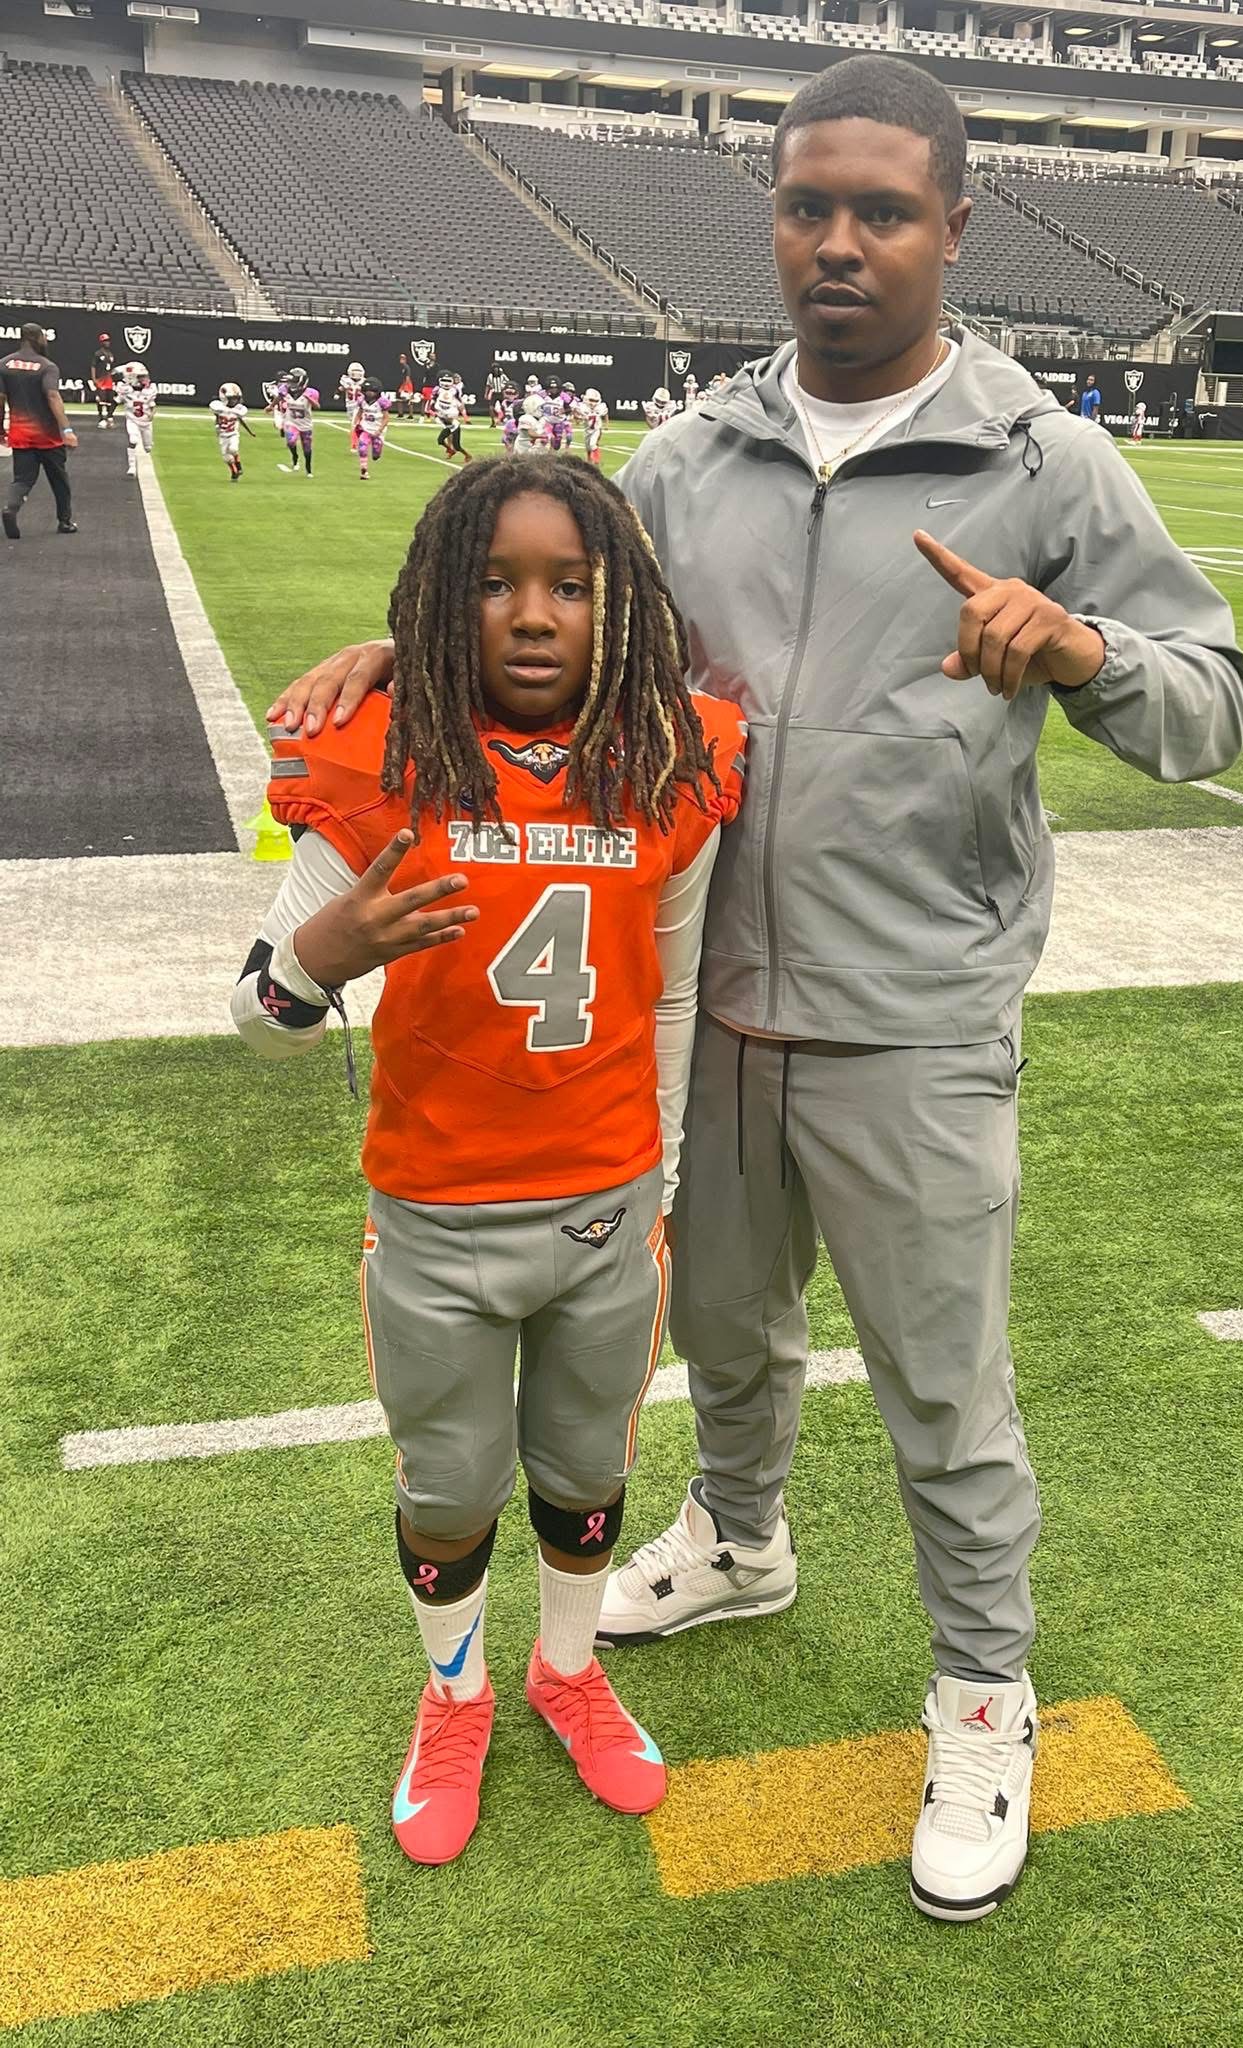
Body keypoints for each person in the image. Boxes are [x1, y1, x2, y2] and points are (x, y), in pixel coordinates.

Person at [269, 54, 1243, 1925]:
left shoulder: (1044, 461)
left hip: (915, 1016)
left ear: (954, 228)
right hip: (703, 1005)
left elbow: (1212, 708)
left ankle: (984, 1698)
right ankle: (738, 1537)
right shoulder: (683, 456)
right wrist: (399, 655)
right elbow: (550, 616)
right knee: (721, 1331)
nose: (840, 242)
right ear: (773, 220)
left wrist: (1085, 649)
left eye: (883, 211)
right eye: (808, 206)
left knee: (944, 1395)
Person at [234, 456, 747, 1866]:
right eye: (494, 584)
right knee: (450, 1487)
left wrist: (662, 1175)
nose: (532, 614)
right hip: (437, 1213)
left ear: (612, 603)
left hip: (604, 1203)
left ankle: (565, 1670)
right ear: (441, 604)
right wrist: (320, 958)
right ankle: (453, 1690)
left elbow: (672, 994)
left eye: (568, 586)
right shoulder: (381, 754)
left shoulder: (667, 761)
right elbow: (259, 1016)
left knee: (586, 1472)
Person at [1, 321, 78, 538]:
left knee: (22, 480)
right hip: (48, 437)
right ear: (37, 338)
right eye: (44, 337)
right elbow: (52, 395)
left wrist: (0, 430)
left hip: (21, 434)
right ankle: (64, 521)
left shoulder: (4, 364)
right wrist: (67, 430)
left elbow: (0, 399)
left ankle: (11, 508)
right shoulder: (47, 366)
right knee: (59, 480)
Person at [118, 361, 157, 480]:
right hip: (132, 420)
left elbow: (152, 405)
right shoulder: (125, 390)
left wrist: (151, 414)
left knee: (148, 448)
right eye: (141, 377)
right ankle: (131, 467)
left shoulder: (150, 389)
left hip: (146, 423)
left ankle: (148, 445)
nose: (145, 379)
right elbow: (116, 401)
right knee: (133, 440)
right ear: (132, 378)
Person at [278, 366, 320, 476]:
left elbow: (317, 406)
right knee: (291, 441)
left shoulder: (311, 392)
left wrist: (309, 398)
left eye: (293, 381)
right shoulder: (285, 389)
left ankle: (308, 469)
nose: (291, 384)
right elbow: (279, 396)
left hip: (305, 423)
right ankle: (295, 457)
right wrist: (271, 406)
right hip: (291, 421)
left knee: (307, 448)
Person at [210, 381, 255, 483]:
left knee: (233, 449)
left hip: (233, 434)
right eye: (232, 398)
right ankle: (234, 473)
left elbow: (241, 420)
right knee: (227, 458)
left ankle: (238, 465)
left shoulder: (238, 409)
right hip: (223, 436)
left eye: (236, 398)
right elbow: (217, 417)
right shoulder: (219, 408)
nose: (234, 401)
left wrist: (250, 431)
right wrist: (217, 425)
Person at [352, 376, 391, 481]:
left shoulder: (382, 402)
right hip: (366, 428)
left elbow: (386, 418)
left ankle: (377, 453)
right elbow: (359, 413)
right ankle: (364, 471)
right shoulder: (362, 401)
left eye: (371, 391)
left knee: (376, 454)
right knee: (362, 447)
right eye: (367, 390)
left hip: (378, 429)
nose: (369, 393)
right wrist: (356, 423)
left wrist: (379, 430)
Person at [433, 373, 470, 464]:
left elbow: (459, 405)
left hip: (453, 426)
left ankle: (467, 455)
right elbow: (434, 400)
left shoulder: (454, 396)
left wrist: (462, 415)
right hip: (446, 423)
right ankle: (450, 450)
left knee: (457, 446)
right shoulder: (439, 393)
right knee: (440, 440)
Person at [89, 332, 117, 429]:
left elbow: (110, 368)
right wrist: (94, 379)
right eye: (105, 341)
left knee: (110, 399)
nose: (107, 342)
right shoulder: (98, 354)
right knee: (101, 399)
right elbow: (93, 366)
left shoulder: (110, 354)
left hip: (109, 379)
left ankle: (109, 417)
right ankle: (101, 419)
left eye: (108, 340)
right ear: (101, 342)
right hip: (100, 379)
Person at [578, 386, 608, 467]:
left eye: (595, 401)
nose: (593, 403)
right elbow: (576, 414)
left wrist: (606, 424)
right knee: (588, 447)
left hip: (596, 429)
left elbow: (605, 414)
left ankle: (597, 461)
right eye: (591, 400)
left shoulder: (600, 407)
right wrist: (579, 418)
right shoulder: (582, 407)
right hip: (587, 430)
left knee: (593, 444)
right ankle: (589, 461)